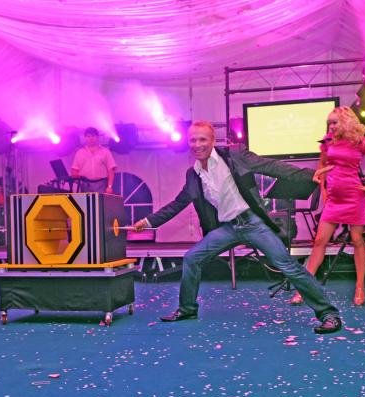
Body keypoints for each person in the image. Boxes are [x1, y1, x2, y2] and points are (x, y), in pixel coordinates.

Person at [132, 121, 342, 334]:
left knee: (287, 265)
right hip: (229, 228)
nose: (197, 144)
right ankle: (187, 309)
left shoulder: (235, 155)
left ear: (213, 141)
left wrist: (306, 175)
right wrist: (147, 222)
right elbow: (176, 204)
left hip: (253, 223)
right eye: (193, 140)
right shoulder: (193, 174)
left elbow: (269, 166)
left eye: (203, 139)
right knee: (192, 258)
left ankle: (328, 314)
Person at [289, 106, 365, 306]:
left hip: (355, 198)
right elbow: (321, 165)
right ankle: (304, 289)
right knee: (319, 241)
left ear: (345, 122)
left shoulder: (361, 141)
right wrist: (323, 189)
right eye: (328, 123)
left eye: (334, 122)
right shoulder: (328, 142)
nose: (330, 126)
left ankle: (360, 287)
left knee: (357, 241)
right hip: (334, 200)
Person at [70, 127, 117, 194]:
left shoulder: (105, 152)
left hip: (101, 184)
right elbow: (74, 169)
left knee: (100, 201)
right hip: (85, 184)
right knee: (86, 201)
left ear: (97, 137)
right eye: (88, 136)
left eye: (93, 136)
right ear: (85, 138)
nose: (91, 138)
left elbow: (111, 170)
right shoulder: (80, 152)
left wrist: (109, 186)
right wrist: (75, 174)